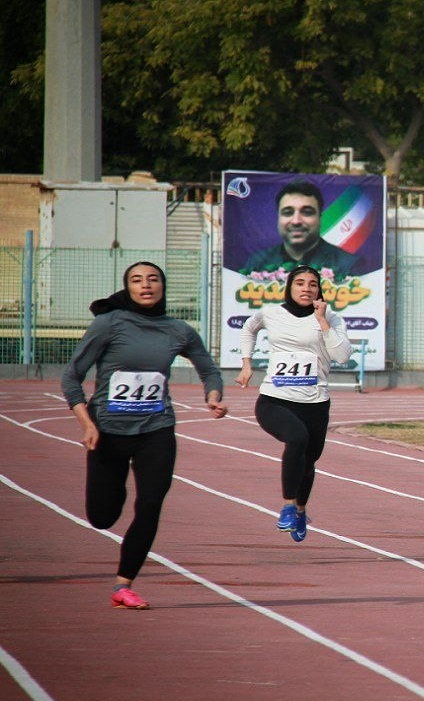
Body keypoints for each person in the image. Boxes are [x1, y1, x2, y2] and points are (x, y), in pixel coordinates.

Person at [61, 261, 227, 610]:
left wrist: (212, 397)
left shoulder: (178, 330)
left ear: (163, 287)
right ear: (128, 288)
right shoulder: (109, 324)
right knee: (103, 516)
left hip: (157, 428)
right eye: (137, 280)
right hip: (107, 431)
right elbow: (71, 377)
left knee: (151, 503)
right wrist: (87, 423)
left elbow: (209, 369)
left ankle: (124, 584)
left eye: (153, 279)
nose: (146, 285)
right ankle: (114, 484)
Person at [236, 265, 353, 542]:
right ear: (289, 287)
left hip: (315, 402)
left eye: (312, 284)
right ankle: (288, 506)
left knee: (309, 461)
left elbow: (342, 356)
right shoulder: (271, 313)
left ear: (319, 290)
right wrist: (246, 364)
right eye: (300, 283)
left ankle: (300, 510)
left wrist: (323, 321)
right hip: (275, 399)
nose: (306, 288)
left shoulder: (331, 317)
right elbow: (248, 329)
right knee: (296, 438)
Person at [238, 179, 365, 281]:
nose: (296, 221)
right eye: (287, 213)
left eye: (307, 212)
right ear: (278, 218)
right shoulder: (257, 262)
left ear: (320, 218)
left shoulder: (348, 264)